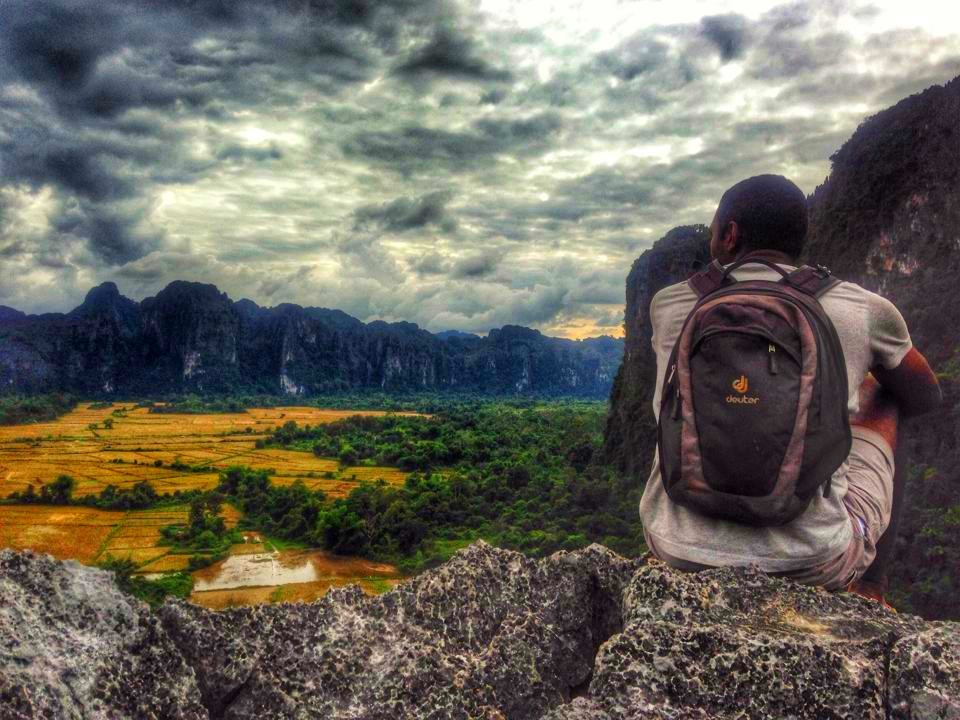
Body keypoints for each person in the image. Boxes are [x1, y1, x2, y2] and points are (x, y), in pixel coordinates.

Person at [639, 174, 942, 604]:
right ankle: (871, 586)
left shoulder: (670, 304)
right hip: (811, 561)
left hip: (676, 547)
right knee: (885, 395)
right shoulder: (863, 310)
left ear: (729, 235)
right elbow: (924, 394)